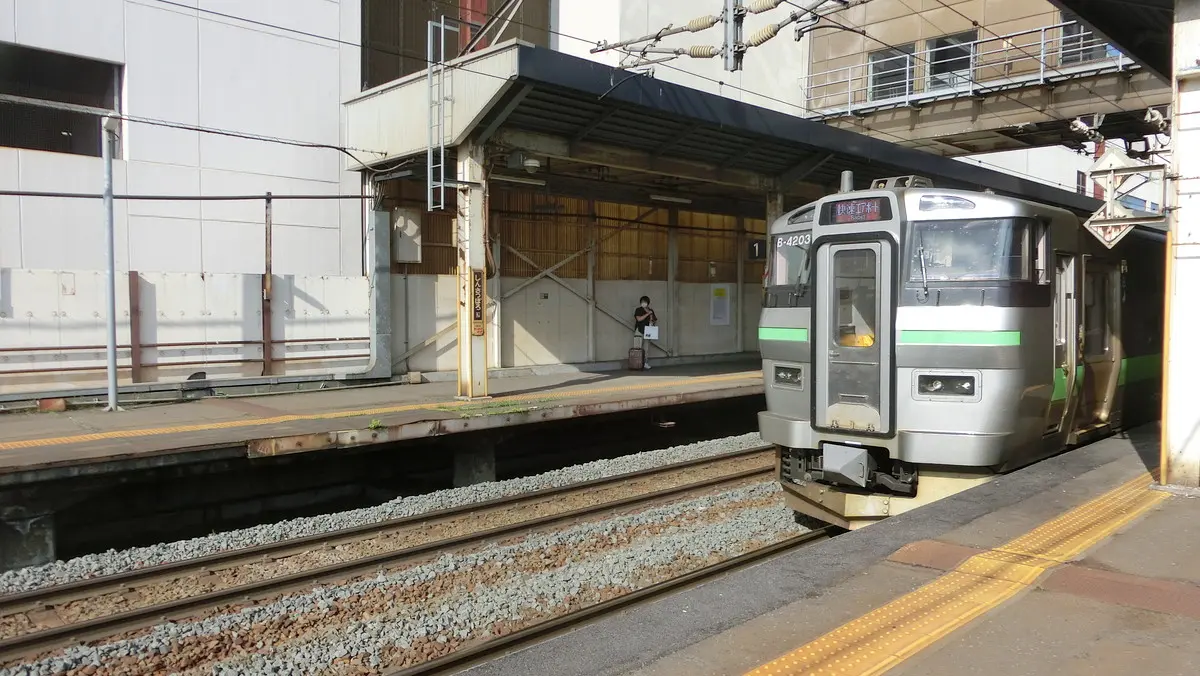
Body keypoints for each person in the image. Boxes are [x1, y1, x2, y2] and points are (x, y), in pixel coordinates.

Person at [633, 296, 657, 370]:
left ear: (648, 303)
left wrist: (651, 317)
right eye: (642, 302)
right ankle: (636, 363)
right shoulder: (638, 310)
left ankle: (645, 363)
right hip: (639, 330)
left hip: (648, 331)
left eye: (645, 302)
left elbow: (653, 321)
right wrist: (647, 314)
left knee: (646, 348)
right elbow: (639, 319)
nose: (643, 303)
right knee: (637, 347)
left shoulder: (651, 310)